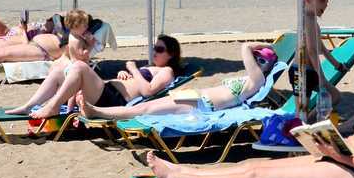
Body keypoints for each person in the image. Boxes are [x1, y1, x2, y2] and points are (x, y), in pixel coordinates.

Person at [150, 50, 354, 178]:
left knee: (260, 176)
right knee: (254, 166)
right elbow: (352, 128)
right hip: (337, 157)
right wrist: (323, 137)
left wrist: (337, 152)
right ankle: (183, 172)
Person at [82, 39, 276, 120]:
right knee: (142, 108)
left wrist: (261, 45)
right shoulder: (250, 79)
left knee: (142, 109)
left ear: (267, 65)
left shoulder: (256, 81)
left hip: (202, 105)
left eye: (260, 60)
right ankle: (97, 111)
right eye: (256, 58)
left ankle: (97, 112)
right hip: (196, 96)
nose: (255, 62)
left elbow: (244, 47)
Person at [20, 35, 182, 121]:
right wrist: (125, 74)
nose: (155, 51)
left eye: (160, 49)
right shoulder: (151, 67)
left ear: (171, 54)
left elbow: (148, 91)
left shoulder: (167, 71)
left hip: (113, 100)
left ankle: (52, 107)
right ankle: (29, 105)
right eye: (155, 47)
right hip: (107, 91)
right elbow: (138, 83)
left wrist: (133, 69)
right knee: (58, 71)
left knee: (80, 66)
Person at [295, 0, 346, 111]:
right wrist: (322, 77)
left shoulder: (312, 19)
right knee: (301, 110)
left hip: (308, 71)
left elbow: (320, 47)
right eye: (322, 1)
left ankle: (310, 123)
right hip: (301, 71)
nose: (325, 6)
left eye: (327, 2)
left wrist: (337, 64)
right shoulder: (307, 20)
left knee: (334, 96)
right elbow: (312, 50)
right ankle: (306, 124)